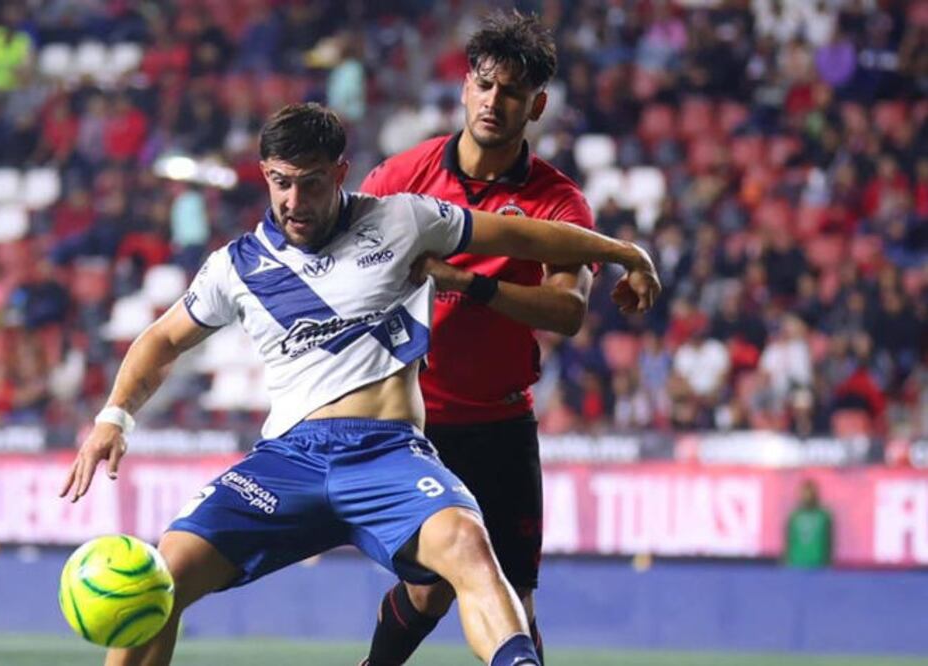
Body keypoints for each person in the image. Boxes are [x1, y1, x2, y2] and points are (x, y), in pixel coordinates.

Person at [60, 103, 660, 666]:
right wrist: (113, 418)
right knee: (158, 578)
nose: (294, 200)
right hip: (288, 462)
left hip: (388, 454)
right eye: (280, 181)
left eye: (312, 182)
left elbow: (526, 237)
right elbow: (161, 340)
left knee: (470, 547)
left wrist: (622, 252)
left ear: (342, 173)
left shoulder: (403, 219)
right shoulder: (234, 267)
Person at [358, 12, 591, 664]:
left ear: (536, 104)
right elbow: (345, 273)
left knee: (513, 597)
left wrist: (469, 284)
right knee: (429, 591)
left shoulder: (555, 202)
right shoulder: (400, 176)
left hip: (501, 425)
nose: (494, 102)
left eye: (512, 92)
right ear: (464, 87)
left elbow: (567, 312)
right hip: (413, 422)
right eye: (484, 85)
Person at [784, 478, 834, 568]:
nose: (807, 496)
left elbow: (830, 542)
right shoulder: (794, 516)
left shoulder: (824, 516)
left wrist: (828, 563)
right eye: (804, 493)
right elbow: (788, 541)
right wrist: (786, 561)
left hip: (819, 566)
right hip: (796, 565)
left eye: (810, 493)